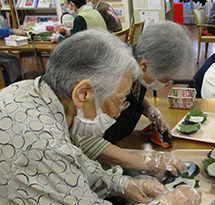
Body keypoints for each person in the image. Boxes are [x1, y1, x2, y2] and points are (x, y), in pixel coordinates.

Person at [0, 29, 202, 205]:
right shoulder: (43, 146)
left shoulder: (28, 90)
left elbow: (73, 162)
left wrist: (122, 184)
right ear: (83, 94)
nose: (118, 113)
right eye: (118, 101)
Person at [72, 21, 194, 178]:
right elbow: (89, 142)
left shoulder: (135, 64)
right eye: (166, 80)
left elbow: (136, 93)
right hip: (95, 157)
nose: (167, 84)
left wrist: (150, 109)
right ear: (144, 65)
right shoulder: (111, 76)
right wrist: (146, 162)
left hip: (122, 142)